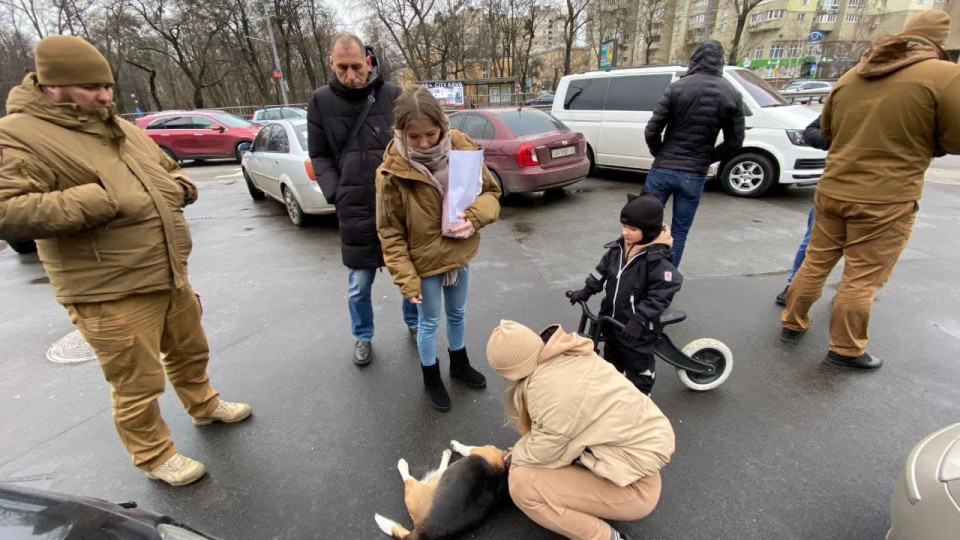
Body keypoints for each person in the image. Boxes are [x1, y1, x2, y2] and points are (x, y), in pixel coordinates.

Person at [0, 35, 251, 487]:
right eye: (92, 87)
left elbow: (171, 174)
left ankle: (204, 404)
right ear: (54, 86)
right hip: (107, 288)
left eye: (108, 85)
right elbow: (9, 210)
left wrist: (178, 189)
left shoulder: (122, 129)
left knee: (190, 349)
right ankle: (155, 455)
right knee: (136, 380)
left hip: (166, 269)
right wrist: (95, 200)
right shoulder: (19, 135)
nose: (105, 96)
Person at [780, 11, 960, 370]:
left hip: (832, 188)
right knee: (861, 277)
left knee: (816, 261)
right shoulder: (946, 76)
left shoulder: (851, 75)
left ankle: (792, 322)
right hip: (886, 197)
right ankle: (846, 348)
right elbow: (954, 141)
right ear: (940, 42)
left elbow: (826, 133)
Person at [486, 320, 675, 540]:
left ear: (510, 372)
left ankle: (606, 538)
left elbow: (547, 448)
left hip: (635, 490)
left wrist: (516, 455)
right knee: (534, 453)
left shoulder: (548, 392)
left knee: (522, 484)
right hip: (634, 464)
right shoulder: (569, 355)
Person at [376, 86, 501, 412]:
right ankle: (431, 377)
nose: (423, 143)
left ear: (442, 125)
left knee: (457, 313)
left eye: (430, 134)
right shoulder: (391, 170)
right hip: (423, 262)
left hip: (458, 253)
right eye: (413, 136)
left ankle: (459, 364)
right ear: (400, 131)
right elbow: (389, 230)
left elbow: (490, 192)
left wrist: (474, 218)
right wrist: (405, 277)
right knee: (429, 321)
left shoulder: (460, 146)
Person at [307, 32, 418, 366]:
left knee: (407, 273)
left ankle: (414, 325)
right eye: (343, 68)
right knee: (359, 284)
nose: (351, 75)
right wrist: (336, 192)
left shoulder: (394, 95)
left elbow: (411, 145)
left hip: (398, 203)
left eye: (357, 66)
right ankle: (363, 336)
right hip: (354, 206)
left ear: (368, 61)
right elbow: (320, 156)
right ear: (331, 64)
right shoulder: (320, 101)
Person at [643, 40, 745, 267]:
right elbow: (735, 142)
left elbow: (651, 130)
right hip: (694, 174)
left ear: (695, 59)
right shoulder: (732, 94)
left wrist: (660, 154)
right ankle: (665, 281)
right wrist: (707, 157)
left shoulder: (677, 87)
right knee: (679, 232)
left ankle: (639, 277)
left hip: (662, 170)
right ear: (720, 61)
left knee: (645, 225)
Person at [567, 194, 682, 394]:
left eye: (632, 229)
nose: (625, 232)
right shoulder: (618, 249)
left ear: (648, 231)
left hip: (637, 326)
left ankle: (642, 396)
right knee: (612, 358)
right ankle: (614, 390)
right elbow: (601, 270)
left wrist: (640, 319)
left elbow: (661, 293)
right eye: (624, 226)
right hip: (612, 319)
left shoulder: (656, 261)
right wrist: (586, 290)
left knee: (638, 362)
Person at [775, 117, 830, 306]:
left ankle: (794, 294)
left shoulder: (845, 92)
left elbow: (811, 132)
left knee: (814, 242)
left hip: (835, 188)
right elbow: (811, 132)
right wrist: (839, 139)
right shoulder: (846, 94)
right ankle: (794, 286)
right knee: (813, 242)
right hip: (882, 197)